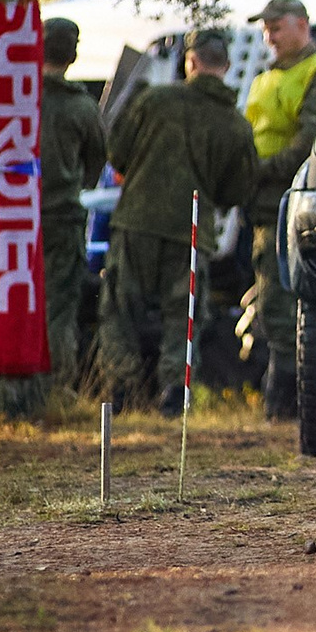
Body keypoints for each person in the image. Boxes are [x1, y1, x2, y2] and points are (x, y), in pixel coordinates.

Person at [100, 30, 261, 414]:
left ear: (191, 63)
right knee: (184, 314)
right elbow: (237, 191)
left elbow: (117, 153)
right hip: (191, 231)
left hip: (137, 220)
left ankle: (121, 389)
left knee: (121, 308)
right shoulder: (236, 125)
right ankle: (175, 393)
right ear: (224, 67)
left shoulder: (154, 100)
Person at [241, 0, 316, 418]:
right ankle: (283, 402)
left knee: (284, 305)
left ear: (303, 24)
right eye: (265, 28)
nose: (270, 35)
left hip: (292, 202)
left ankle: (287, 405)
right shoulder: (270, 75)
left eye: (277, 26)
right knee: (272, 302)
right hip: (266, 203)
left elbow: (311, 142)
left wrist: (262, 169)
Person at [40, 18, 110, 386]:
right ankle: (55, 386)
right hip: (63, 217)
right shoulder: (81, 106)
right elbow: (98, 158)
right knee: (59, 306)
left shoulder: (15, 98)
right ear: (73, 54)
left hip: (11, 218)